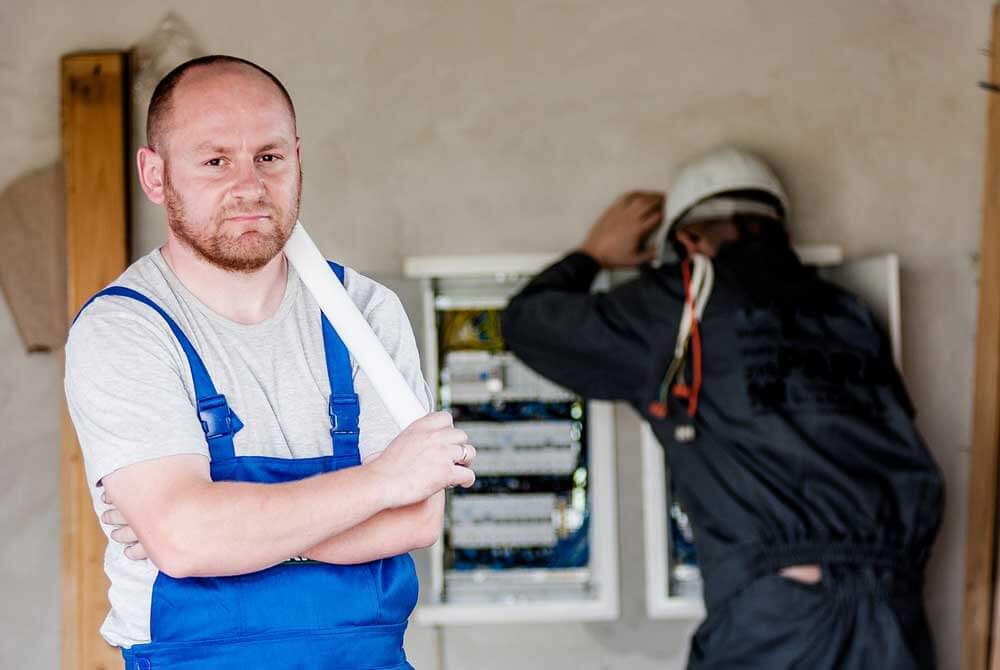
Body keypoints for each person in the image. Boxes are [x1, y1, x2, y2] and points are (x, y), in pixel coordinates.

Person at [64, 55, 477, 670]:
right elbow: (185, 540)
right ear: (155, 174)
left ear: (297, 159)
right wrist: (382, 482)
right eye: (215, 160)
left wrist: (227, 530)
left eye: (269, 156)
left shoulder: (364, 312)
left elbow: (416, 518)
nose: (249, 185)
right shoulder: (124, 329)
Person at [500, 146, 944, 669]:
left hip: (788, 615)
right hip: (896, 607)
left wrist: (592, 255)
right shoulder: (846, 312)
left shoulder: (684, 301)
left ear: (688, 241)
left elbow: (528, 326)